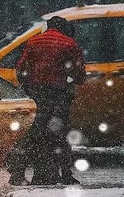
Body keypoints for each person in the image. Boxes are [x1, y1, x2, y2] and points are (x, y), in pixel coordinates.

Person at [7, 16, 86, 186]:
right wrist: (70, 79)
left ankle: (20, 174)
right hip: (58, 95)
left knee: (33, 135)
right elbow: (79, 74)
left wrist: (28, 84)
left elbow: (20, 68)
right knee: (60, 135)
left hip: (37, 95)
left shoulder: (34, 41)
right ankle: (64, 174)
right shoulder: (69, 43)